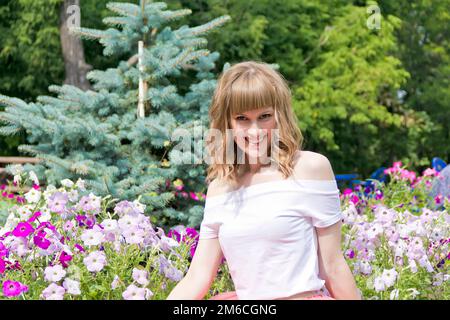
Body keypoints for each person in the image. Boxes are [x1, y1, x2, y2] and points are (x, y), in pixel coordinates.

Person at [166, 61, 361, 300]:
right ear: (227, 122)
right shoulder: (221, 187)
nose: (255, 131)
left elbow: (333, 265)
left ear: (280, 116)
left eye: (264, 116)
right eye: (242, 118)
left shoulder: (310, 169)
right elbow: (198, 276)